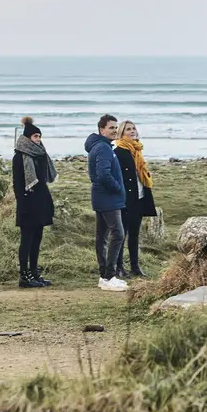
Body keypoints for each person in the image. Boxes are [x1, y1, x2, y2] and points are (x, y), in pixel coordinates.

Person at [12, 115, 56, 289]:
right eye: (35, 137)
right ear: (27, 138)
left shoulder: (41, 155)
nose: (38, 140)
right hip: (28, 203)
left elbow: (44, 179)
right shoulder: (20, 157)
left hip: (41, 201)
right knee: (27, 240)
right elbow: (17, 184)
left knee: (37, 239)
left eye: (39, 137)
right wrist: (22, 205)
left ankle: (35, 272)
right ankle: (24, 275)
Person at [85, 113, 126, 291]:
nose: (114, 131)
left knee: (102, 237)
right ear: (102, 129)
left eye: (116, 128)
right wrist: (117, 187)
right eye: (111, 128)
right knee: (118, 234)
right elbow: (103, 173)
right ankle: (109, 276)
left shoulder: (101, 146)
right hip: (108, 198)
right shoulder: (103, 148)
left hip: (102, 197)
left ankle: (104, 276)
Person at [113, 119, 156, 278]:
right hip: (126, 198)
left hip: (139, 195)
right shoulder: (118, 150)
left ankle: (135, 267)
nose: (132, 131)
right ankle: (119, 267)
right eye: (128, 129)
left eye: (133, 129)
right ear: (121, 133)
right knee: (122, 234)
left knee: (135, 234)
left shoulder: (137, 150)